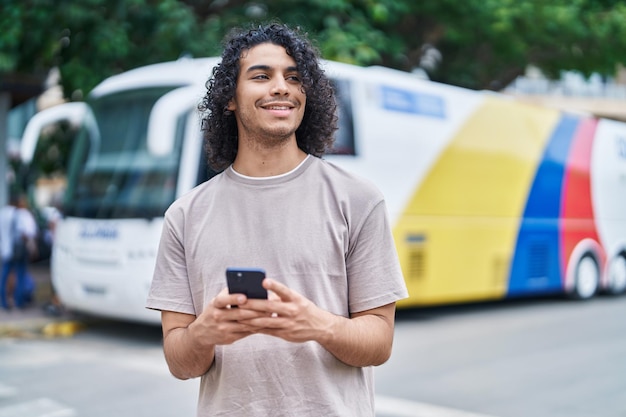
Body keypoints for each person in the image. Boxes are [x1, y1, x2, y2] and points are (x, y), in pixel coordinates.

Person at [146, 22, 408, 417]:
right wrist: (204, 333)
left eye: (294, 77)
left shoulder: (358, 199)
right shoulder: (185, 216)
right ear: (229, 98)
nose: (282, 87)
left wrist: (317, 324)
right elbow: (180, 363)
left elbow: (379, 344)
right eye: (262, 76)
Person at [0, 192, 38, 310]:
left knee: (4, 276)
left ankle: (3, 303)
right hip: (17, 251)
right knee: (20, 275)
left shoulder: (2, 213)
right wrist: (31, 247)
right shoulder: (17, 214)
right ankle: (18, 302)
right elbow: (23, 234)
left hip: (5, 250)